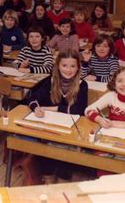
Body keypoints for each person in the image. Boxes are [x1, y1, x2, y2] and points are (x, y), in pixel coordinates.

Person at [27, 50, 88, 182]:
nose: (68, 70)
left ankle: (63, 178)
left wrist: (50, 108)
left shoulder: (82, 85)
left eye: (73, 66)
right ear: (58, 66)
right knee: (47, 143)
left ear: (78, 68)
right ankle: (47, 175)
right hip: (51, 125)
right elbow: (32, 99)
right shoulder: (50, 81)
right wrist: (36, 108)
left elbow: (79, 110)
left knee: (67, 147)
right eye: (64, 66)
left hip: (71, 128)